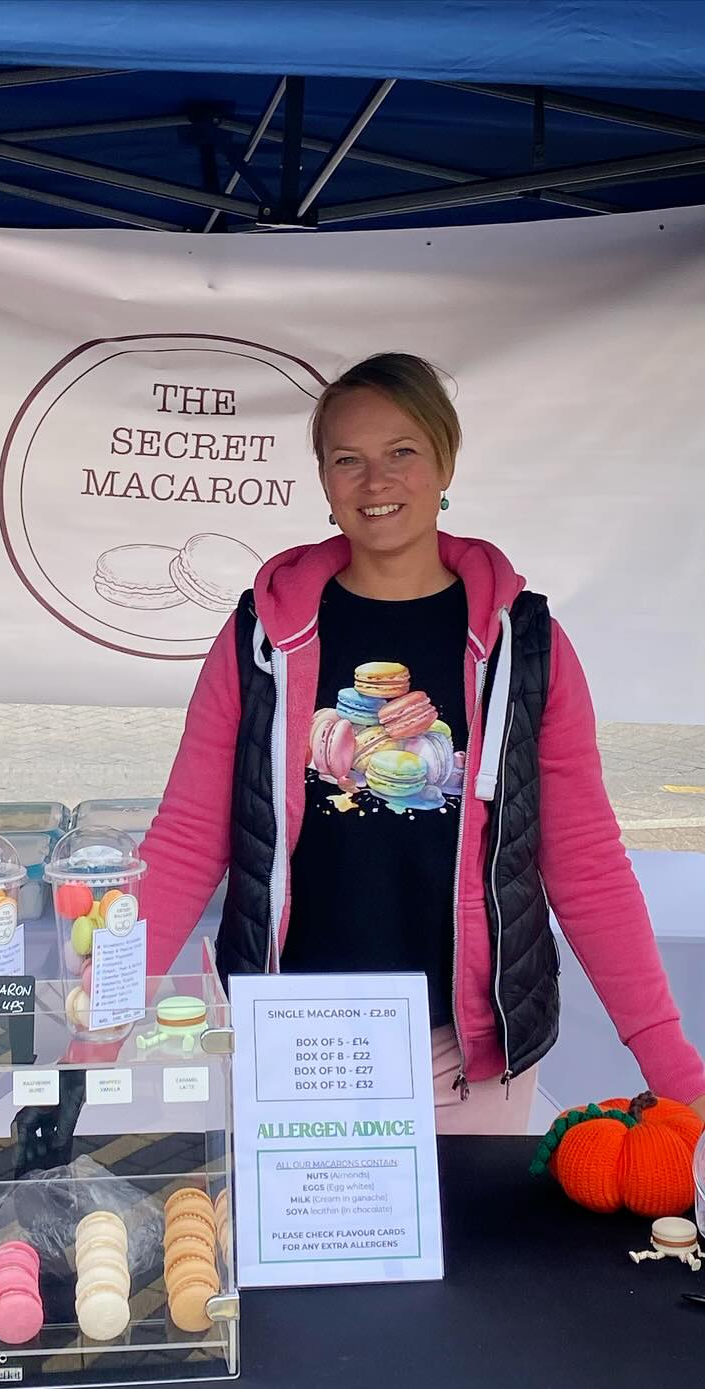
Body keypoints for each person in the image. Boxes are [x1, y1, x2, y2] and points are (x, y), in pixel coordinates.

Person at [139, 351, 705, 1134]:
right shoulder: (260, 637)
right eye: (349, 460)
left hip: (464, 1059)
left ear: (444, 462)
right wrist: (98, 1008)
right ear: (325, 481)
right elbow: (186, 841)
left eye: (401, 453)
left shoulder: (525, 644)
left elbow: (586, 864)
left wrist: (678, 1072)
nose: (377, 483)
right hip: (294, 1043)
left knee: (475, 1260)